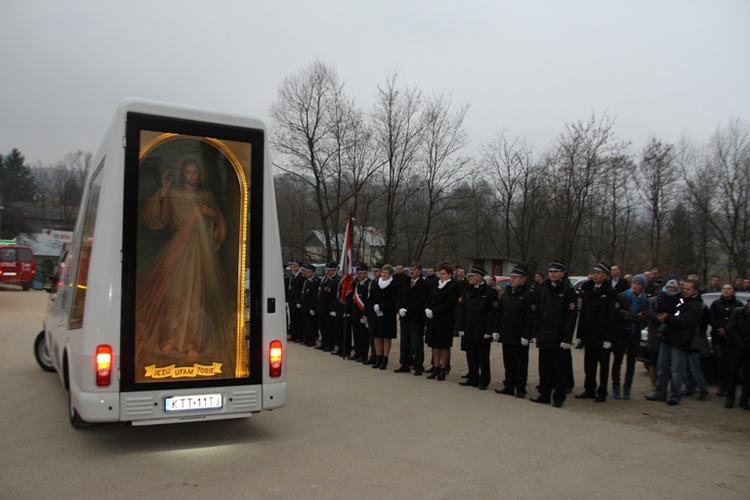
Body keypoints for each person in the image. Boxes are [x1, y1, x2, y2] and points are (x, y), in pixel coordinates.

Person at [136, 157, 234, 373]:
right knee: (176, 294)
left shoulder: (205, 196)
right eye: (188, 172)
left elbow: (219, 223)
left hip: (199, 251)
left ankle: (192, 343)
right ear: (183, 173)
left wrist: (213, 214)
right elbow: (155, 217)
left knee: (196, 297)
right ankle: (172, 338)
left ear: (199, 174)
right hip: (178, 249)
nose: (192, 176)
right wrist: (163, 190)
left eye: (195, 172)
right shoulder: (174, 193)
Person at [646, 279, 704, 406]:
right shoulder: (681, 300)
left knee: (677, 370)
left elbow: (684, 322)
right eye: (684, 288)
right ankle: (660, 393)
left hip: (680, 341)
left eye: (689, 289)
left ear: (695, 290)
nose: (685, 291)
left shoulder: (696, 305)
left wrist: (667, 318)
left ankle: (675, 395)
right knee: (662, 366)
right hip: (668, 337)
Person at [530, 261, 578, 408]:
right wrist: (535, 332)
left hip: (558, 336)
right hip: (544, 333)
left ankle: (558, 397)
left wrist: (566, 338)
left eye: (556, 271)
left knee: (560, 369)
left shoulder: (568, 291)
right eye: (551, 271)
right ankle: (544, 394)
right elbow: (537, 312)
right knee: (544, 367)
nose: (553, 274)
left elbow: (570, 317)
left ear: (562, 273)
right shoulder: (543, 289)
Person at [575, 262, 618, 403]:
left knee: (603, 366)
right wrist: (580, 334)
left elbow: (612, 317)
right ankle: (589, 389)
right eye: (594, 273)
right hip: (589, 333)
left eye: (599, 273)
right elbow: (584, 313)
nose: (595, 275)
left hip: (602, 335)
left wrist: (608, 338)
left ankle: (602, 391)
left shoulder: (610, 292)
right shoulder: (590, 290)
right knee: (589, 365)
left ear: (605, 276)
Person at [492, 264, 534, 398]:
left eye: (515, 278)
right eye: (511, 277)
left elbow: (530, 316)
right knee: (508, 361)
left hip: (519, 334)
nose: (512, 280)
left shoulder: (528, 294)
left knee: (520, 363)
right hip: (507, 332)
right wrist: (496, 329)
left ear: (523, 279)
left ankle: (521, 388)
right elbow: (500, 312)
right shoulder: (508, 292)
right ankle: (509, 386)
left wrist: (527, 335)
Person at [457, 267, 498, 390]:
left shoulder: (490, 292)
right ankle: (472, 378)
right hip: (470, 327)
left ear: (479, 277)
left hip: (482, 329)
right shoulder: (468, 290)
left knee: (483, 357)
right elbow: (463, 310)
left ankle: (484, 380)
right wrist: (462, 327)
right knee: (471, 355)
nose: (469, 278)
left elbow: (492, 313)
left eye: (471, 276)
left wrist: (489, 331)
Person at [611, 274, 650, 400]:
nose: (635, 286)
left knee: (631, 362)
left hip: (635, 333)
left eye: (638, 284)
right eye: (634, 283)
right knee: (618, 360)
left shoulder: (645, 300)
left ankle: (627, 386)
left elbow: (643, 318)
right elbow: (617, 313)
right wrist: (633, 316)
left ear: (642, 286)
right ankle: (616, 385)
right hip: (621, 331)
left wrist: (627, 314)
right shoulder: (622, 296)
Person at [425, 264, 460, 381]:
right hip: (433, 319)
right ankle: (435, 367)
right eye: (440, 274)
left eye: (444, 274)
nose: (441, 276)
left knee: (444, 345)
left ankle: (443, 369)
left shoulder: (453, 286)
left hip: (445, 319)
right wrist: (427, 308)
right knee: (434, 344)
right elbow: (429, 297)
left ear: (450, 275)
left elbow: (449, 304)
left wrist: (435, 311)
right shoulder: (435, 284)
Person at [708, 284, 743, 396]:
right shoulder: (716, 304)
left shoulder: (738, 305)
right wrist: (719, 328)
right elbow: (711, 318)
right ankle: (721, 384)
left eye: (729, 289)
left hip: (733, 339)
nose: (726, 291)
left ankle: (730, 386)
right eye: (724, 289)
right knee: (720, 362)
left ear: (733, 291)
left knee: (731, 363)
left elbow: (741, 321)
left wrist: (728, 330)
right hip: (718, 337)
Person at [395, 262, 430, 375]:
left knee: (416, 343)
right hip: (404, 317)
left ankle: (418, 365)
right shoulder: (406, 282)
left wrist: (408, 310)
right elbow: (399, 296)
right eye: (410, 269)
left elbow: (421, 301)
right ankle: (405, 364)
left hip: (416, 317)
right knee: (404, 342)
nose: (411, 271)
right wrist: (399, 308)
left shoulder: (424, 284)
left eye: (414, 269)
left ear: (419, 271)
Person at [369, 264, 400, 370]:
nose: (383, 274)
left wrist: (381, 306)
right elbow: (371, 296)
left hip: (388, 314)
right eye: (382, 272)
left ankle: (385, 358)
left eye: (386, 273)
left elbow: (393, 300)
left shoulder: (394, 285)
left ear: (390, 274)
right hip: (376, 313)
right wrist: (374, 306)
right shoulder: (376, 284)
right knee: (377, 336)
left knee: (386, 337)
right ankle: (378, 357)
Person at [724, 299, 750, 409]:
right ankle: (730, 398)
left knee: (748, 375)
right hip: (734, 347)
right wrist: (739, 343)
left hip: (748, 349)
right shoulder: (738, 312)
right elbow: (730, 328)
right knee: (731, 372)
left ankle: (744, 400)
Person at [316, 261, 339, 350]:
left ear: (334, 270)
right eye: (327, 270)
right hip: (321, 307)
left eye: (330, 270)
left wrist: (333, 309)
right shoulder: (325, 279)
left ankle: (330, 345)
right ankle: (324, 343)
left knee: (330, 328)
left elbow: (334, 297)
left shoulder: (336, 281)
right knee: (322, 327)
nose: (327, 272)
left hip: (329, 308)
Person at [362, 263, 382, 365]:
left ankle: (379, 356)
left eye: (376, 271)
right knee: (372, 337)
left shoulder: (383, 283)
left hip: (380, 313)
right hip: (371, 313)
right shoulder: (372, 283)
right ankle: (373, 356)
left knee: (379, 337)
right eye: (373, 271)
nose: (374, 273)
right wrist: (365, 314)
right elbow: (368, 299)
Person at [351, 264, 371, 363]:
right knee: (356, 335)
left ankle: (363, 355)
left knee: (364, 336)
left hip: (362, 313)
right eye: (358, 273)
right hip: (355, 313)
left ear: (366, 274)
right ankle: (357, 353)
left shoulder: (368, 284)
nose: (359, 275)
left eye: (361, 273)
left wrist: (365, 314)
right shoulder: (357, 284)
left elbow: (367, 301)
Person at [300, 263, 320, 347]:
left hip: (310, 306)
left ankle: (312, 340)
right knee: (305, 324)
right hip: (305, 306)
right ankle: (306, 339)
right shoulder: (306, 281)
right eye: (306, 272)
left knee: (311, 325)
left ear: (313, 272)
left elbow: (314, 296)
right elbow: (304, 294)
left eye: (309, 272)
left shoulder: (316, 281)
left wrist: (312, 307)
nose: (307, 274)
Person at [286, 258, 305, 342]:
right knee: (293, 319)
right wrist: (288, 300)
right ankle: (293, 334)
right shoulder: (292, 276)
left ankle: (300, 336)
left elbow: (301, 291)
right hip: (292, 301)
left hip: (297, 301)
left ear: (299, 267)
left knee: (298, 320)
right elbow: (290, 290)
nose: (293, 268)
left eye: (295, 267)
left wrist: (299, 301)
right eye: (292, 267)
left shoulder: (302, 277)